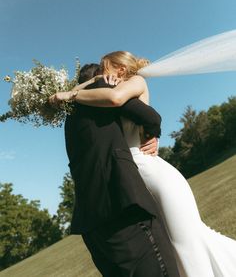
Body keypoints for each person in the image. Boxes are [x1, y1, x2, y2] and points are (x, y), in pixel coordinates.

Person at [53, 51, 236, 277]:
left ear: (120, 69)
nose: (100, 72)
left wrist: (69, 95)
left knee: (186, 242)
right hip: (137, 176)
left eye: (104, 66)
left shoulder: (134, 82)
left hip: (154, 172)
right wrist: (85, 85)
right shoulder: (106, 88)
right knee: (170, 245)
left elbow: (119, 100)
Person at [50, 63, 180, 277]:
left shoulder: (70, 116)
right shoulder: (99, 93)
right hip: (122, 209)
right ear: (99, 80)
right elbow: (152, 118)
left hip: (91, 225)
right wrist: (150, 134)